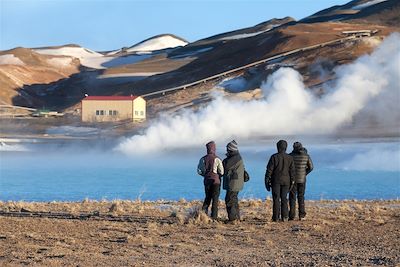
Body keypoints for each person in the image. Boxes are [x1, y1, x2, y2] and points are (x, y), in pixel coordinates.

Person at [265, 140, 295, 222]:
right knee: (284, 199)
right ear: (286, 147)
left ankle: (276, 217)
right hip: (286, 181)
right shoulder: (290, 158)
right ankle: (285, 217)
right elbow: (292, 172)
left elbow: (269, 171)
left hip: (276, 181)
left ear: (278, 147)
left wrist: (266, 181)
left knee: (276, 199)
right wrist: (292, 182)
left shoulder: (274, 157)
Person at [197, 141, 224, 220]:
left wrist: (205, 175)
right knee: (215, 199)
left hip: (207, 181)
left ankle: (203, 215)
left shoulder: (202, 159)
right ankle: (214, 217)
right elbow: (222, 171)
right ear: (214, 148)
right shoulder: (217, 159)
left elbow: (199, 171)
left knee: (207, 198)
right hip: (216, 181)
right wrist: (218, 175)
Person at [222, 140, 246, 223]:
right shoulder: (236, 156)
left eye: (227, 148)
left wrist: (225, 159)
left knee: (229, 200)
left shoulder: (234, 158)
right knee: (234, 200)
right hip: (236, 182)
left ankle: (232, 219)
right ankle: (236, 217)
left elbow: (226, 166)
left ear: (230, 149)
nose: (226, 150)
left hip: (233, 183)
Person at [289, 142, 314, 220]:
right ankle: (302, 215)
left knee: (292, 197)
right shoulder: (306, 156)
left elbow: (288, 168)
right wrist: (304, 174)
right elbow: (311, 167)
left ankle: (292, 215)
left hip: (292, 179)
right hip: (302, 179)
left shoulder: (290, 156)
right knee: (301, 196)